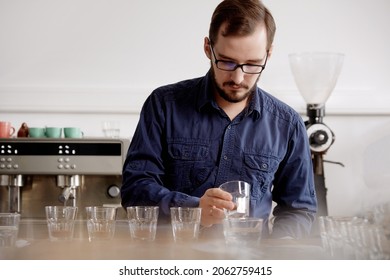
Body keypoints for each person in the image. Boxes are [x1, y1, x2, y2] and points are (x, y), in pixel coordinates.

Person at [121, 0, 317, 239]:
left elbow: (299, 209)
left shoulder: (287, 124)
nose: (238, 77)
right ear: (207, 48)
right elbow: (135, 189)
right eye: (226, 61)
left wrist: (277, 252)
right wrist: (193, 210)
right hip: (175, 260)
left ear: (269, 54)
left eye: (253, 64)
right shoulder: (164, 104)